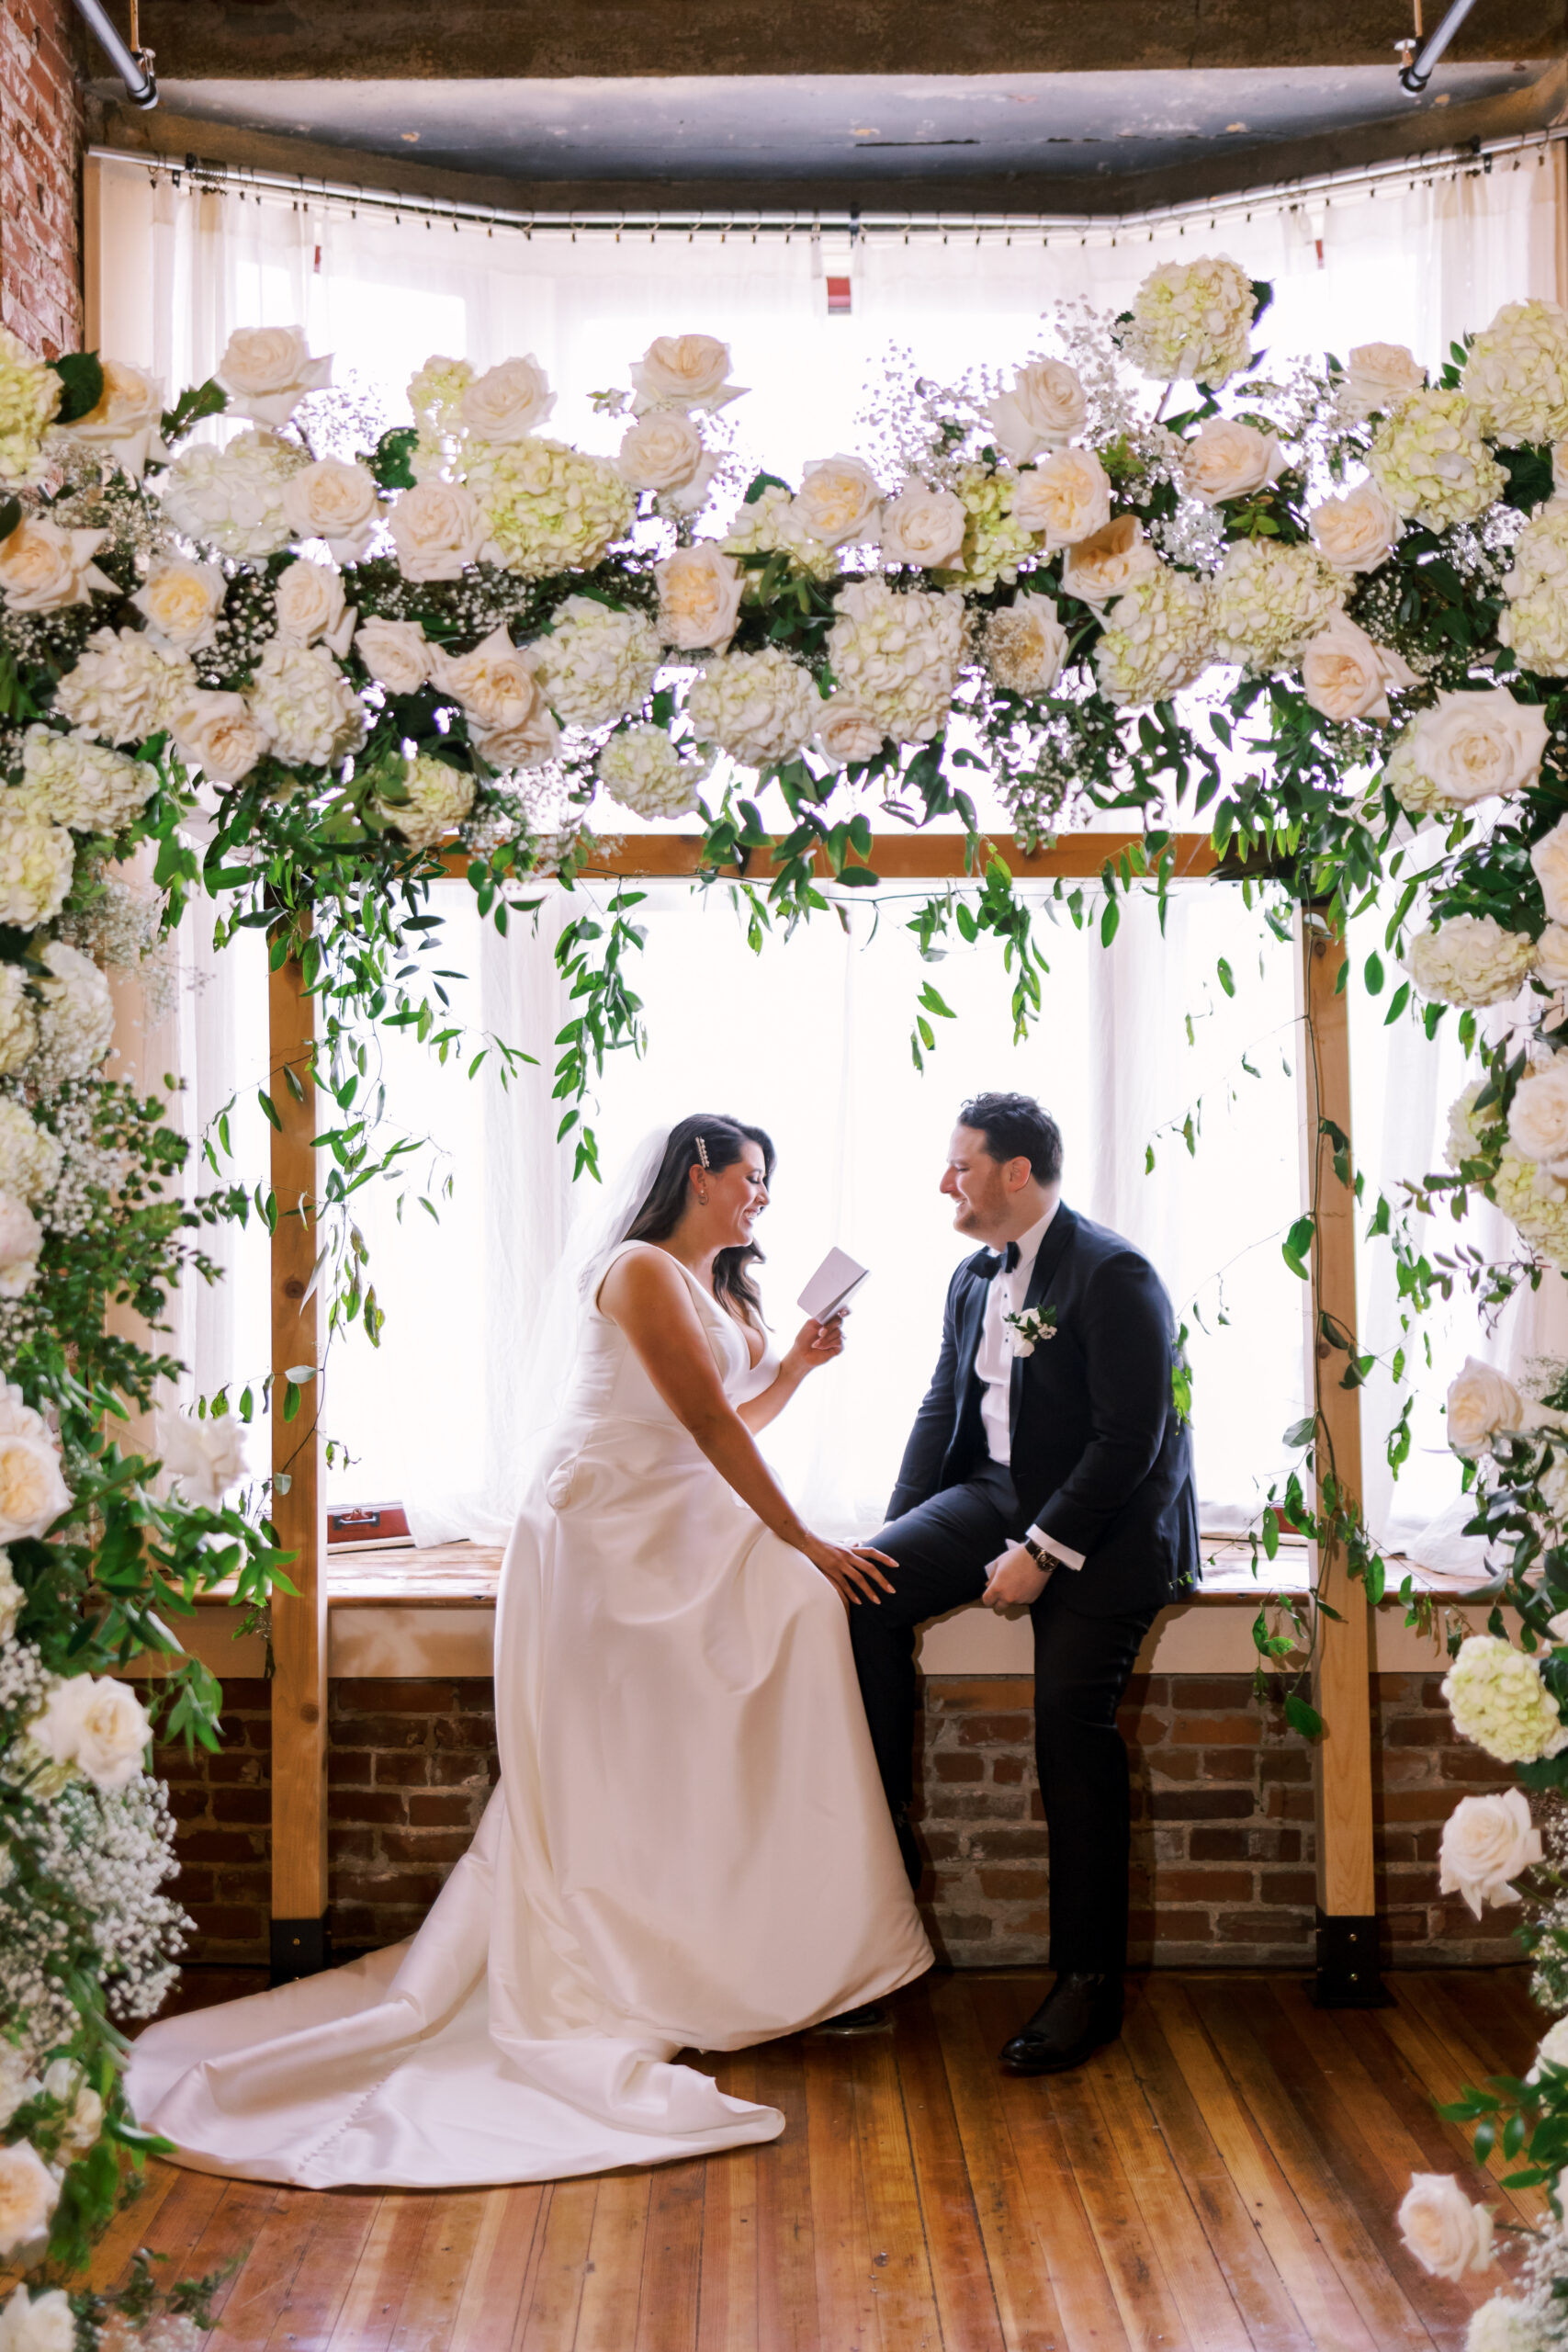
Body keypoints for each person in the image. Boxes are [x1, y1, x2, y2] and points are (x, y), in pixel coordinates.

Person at [128, 1116, 931, 2188]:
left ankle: (745, 1935)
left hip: (679, 1520)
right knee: (654, 1723)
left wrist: (795, 1364)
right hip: (610, 1534)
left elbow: (744, 1411)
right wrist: (801, 1536)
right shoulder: (641, 1270)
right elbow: (701, 1421)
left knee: (789, 1626)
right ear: (698, 1175)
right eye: (751, 1180)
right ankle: (632, 1945)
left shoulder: (724, 1288)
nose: (762, 1201)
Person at [849, 1091, 1198, 2076]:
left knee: (1068, 1731)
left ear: (1014, 1172)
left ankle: (1089, 1984)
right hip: (998, 1491)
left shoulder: (1113, 1272)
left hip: (1109, 1524)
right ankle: (888, 1853)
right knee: (858, 1593)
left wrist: (1041, 1552)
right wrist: (894, 1532)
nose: (944, 1182)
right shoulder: (972, 1276)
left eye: (960, 1164)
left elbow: (1134, 1440)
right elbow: (941, 1404)